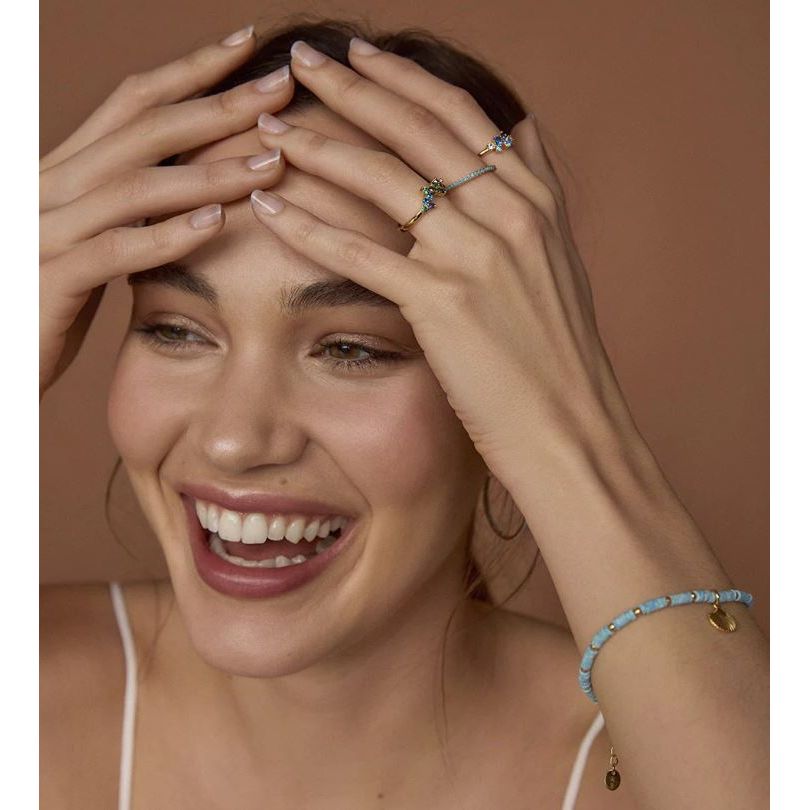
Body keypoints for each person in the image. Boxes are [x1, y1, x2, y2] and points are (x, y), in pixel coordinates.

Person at [39, 18, 768, 810]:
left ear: (501, 386)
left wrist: (570, 423)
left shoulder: (645, 766)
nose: (233, 439)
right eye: (177, 330)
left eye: (350, 349)